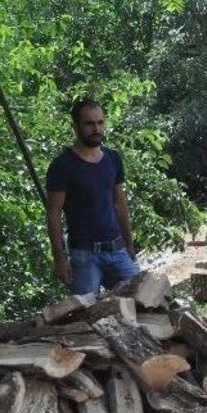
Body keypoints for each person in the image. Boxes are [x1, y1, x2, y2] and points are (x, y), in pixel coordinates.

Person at [46, 98, 139, 295]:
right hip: (84, 256)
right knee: (85, 311)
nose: (96, 129)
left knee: (143, 298)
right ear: (75, 127)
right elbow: (53, 213)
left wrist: (129, 244)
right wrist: (60, 258)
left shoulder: (113, 159)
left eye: (100, 122)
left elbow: (120, 204)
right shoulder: (62, 166)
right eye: (89, 123)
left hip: (117, 251)